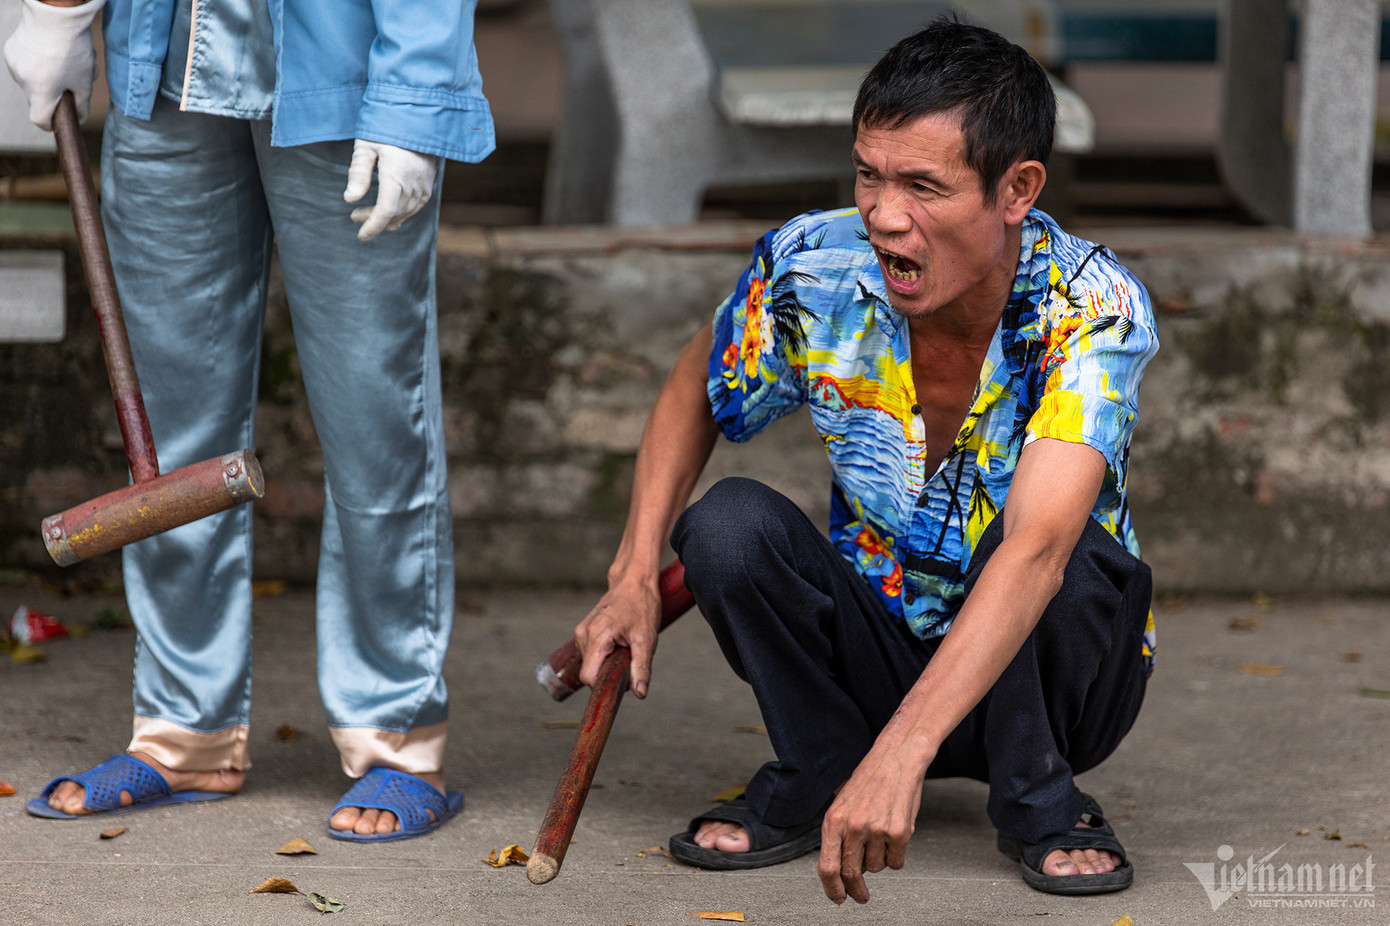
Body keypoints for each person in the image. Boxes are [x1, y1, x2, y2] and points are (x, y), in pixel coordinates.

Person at [573, 17, 1157, 900]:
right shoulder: (816, 264)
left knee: (1060, 553)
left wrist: (904, 758)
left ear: (1017, 189)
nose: (885, 216)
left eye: (924, 186)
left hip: (1056, 672)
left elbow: (1038, 548)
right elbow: (701, 377)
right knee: (727, 528)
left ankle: (1041, 795)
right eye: (869, 174)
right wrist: (629, 573)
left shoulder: (1093, 307)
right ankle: (819, 770)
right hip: (880, 644)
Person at [4, 0, 493, 841]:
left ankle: (396, 735)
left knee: (372, 417)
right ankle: (182, 730)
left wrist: (416, 98)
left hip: (348, 82)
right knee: (169, 430)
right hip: (167, 72)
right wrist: (58, 9)